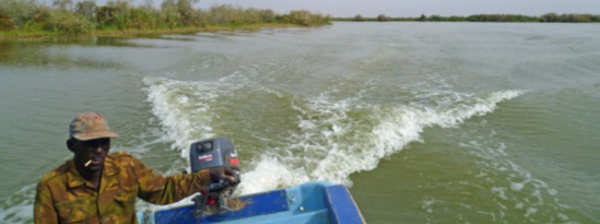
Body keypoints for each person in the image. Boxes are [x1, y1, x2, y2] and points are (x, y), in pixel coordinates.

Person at [34, 112, 239, 224]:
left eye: (103, 143)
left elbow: (162, 190)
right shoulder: (52, 187)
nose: (98, 150)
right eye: (89, 144)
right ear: (71, 146)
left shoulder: (126, 167)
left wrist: (209, 175)